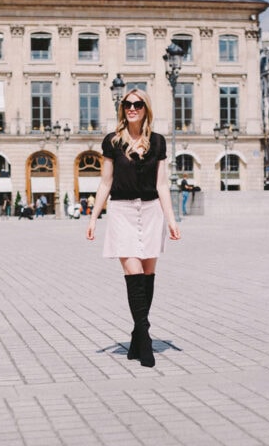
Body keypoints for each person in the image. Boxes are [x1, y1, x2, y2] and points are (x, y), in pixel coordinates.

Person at [86, 89, 180, 368]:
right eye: (127, 104)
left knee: (148, 275)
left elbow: (162, 184)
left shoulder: (158, 142)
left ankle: (137, 334)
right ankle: (146, 339)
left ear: (146, 109)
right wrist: (93, 219)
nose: (132, 108)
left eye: (137, 104)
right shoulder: (113, 142)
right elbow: (105, 182)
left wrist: (172, 219)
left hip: (152, 212)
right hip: (122, 211)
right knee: (133, 273)